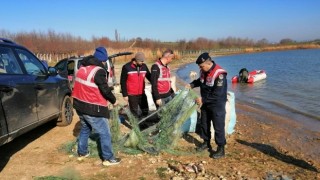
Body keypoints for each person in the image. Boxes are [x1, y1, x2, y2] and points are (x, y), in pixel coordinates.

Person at [72, 46, 121, 166]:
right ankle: (108, 158)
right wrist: (114, 100)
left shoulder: (82, 68)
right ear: (103, 60)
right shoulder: (99, 71)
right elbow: (104, 89)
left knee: (86, 128)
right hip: (92, 107)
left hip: (79, 105)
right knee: (105, 132)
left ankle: (82, 152)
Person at [186, 52, 228, 159]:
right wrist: (192, 84)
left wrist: (203, 99)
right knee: (204, 124)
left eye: (201, 66)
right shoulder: (203, 71)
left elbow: (218, 94)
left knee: (218, 126)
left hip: (216, 104)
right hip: (205, 104)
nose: (200, 68)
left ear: (208, 63)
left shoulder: (219, 74)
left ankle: (221, 148)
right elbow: (200, 82)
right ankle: (206, 143)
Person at [120, 52, 151, 118]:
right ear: (136, 60)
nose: (142, 62)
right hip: (132, 95)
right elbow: (122, 81)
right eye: (141, 61)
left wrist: (156, 81)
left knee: (145, 110)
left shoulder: (144, 66)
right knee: (135, 112)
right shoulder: (126, 67)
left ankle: (143, 123)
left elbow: (149, 77)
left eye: (143, 61)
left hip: (142, 93)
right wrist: (125, 94)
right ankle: (137, 125)